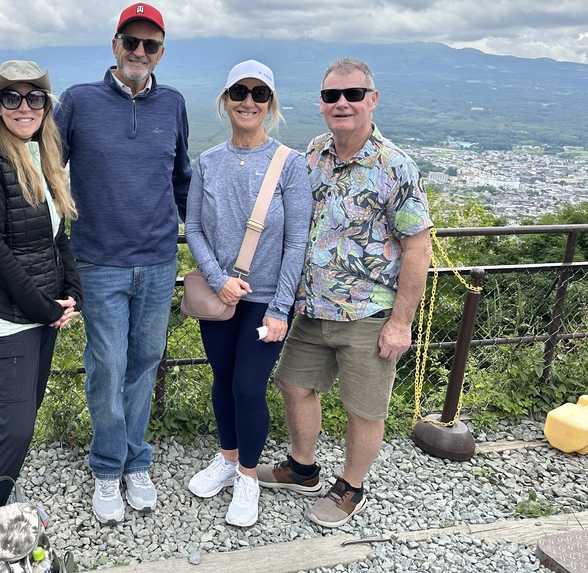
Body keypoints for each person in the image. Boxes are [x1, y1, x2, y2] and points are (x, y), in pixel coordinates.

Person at [256, 57, 432, 529]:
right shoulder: (314, 154)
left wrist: (401, 322)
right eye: (332, 95)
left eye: (353, 94)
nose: (342, 103)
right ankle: (303, 468)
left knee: (364, 408)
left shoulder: (395, 166)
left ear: (372, 100)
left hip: (370, 313)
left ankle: (352, 487)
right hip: (312, 308)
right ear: (321, 104)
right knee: (293, 383)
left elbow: (418, 247)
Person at [55, 3, 191, 525]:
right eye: (130, 42)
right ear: (114, 46)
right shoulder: (79, 101)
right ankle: (108, 467)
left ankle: (137, 461)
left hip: (157, 261)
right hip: (99, 260)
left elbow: (181, 180)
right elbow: (51, 169)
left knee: (143, 365)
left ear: (160, 52)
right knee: (108, 365)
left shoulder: (173, 103)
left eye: (149, 45)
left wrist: (195, 241)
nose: (139, 52)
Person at [0, 60, 82, 568]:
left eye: (35, 99)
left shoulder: (40, 155)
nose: (24, 107)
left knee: (22, 421)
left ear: (47, 107)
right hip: (12, 318)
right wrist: (44, 307)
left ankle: (0, 517)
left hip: (43, 313)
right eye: (12, 98)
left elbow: (58, 238)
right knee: (15, 429)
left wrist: (73, 295)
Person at [184, 60, 312, 527]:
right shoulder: (209, 162)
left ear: (271, 104)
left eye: (260, 94)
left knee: (247, 385)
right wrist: (217, 278)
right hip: (222, 294)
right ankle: (227, 456)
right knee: (222, 379)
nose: (248, 101)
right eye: (240, 91)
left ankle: (248, 476)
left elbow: (297, 240)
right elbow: (193, 225)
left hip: (265, 300)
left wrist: (281, 306)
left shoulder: (290, 165)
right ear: (225, 99)